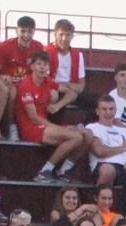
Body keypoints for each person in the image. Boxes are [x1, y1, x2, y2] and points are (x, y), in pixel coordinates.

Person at [17, 53, 87, 183]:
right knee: (76, 136)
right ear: (32, 66)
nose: (42, 68)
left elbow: (72, 94)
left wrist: (57, 105)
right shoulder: (26, 84)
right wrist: (58, 127)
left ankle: (63, 171)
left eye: (45, 64)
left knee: (86, 134)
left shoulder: (47, 80)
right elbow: (33, 118)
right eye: (38, 64)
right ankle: (45, 171)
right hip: (31, 128)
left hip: (45, 125)